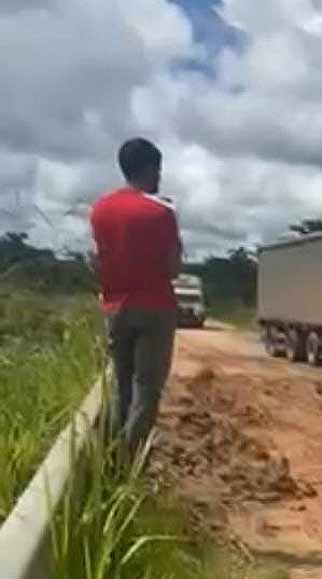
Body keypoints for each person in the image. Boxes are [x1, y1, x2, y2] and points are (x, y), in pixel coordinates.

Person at [90, 137, 182, 455]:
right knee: (147, 390)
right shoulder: (162, 212)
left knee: (122, 386)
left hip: (115, 306)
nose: (160, 177)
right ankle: (128, 461)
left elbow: (98, 261)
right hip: (155, 308)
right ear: (150, 168)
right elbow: (173, 269)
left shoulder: (100, 209)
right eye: (159, 170)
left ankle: (109, 459)